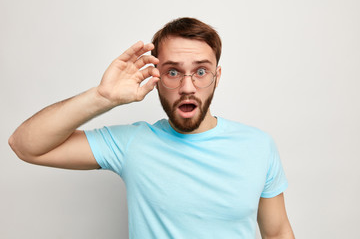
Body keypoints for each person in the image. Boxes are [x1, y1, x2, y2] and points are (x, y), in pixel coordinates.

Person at [9, 17, 295, 238]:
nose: (187, 87)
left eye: (200, 71)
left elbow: (277, 232)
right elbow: (24, 145)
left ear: (216, 76)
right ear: (156, 77)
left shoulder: (258, 146)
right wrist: (101, 97)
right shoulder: (132, 143)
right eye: (173, 71)